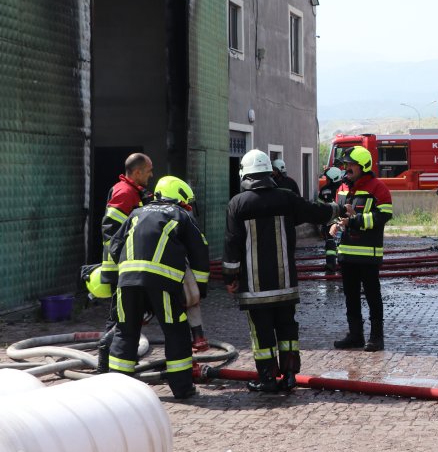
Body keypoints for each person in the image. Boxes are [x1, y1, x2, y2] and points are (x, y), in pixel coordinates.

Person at [222, 149, 338, 392]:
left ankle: (267, 379)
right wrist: (339, 210)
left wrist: (230, 277)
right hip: (286, 283)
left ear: (245, 174)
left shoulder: (237, 203)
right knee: (287, 329)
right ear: (269, 172)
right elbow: (316, 212)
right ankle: (289, 377)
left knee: (262, 335)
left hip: (255, 287)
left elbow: (232, 244)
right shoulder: (286, 198)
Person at [105, 176, 209, 400]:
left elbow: (114, 245)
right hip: (162, 284)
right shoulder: (180, 215)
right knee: (176, 332)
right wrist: (199, 289)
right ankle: (182, 388)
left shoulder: (135, 214)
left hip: (127, 283)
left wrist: (122, 275)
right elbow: (200, 251)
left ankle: (117, 391)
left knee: (125, 331)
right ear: (179, 198)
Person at [331, 146, 393, 352]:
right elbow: (339, 215)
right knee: (350, 296)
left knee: (372, 296)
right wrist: (335, 223)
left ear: (363, 166)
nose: (346, 168)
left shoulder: (378, 188)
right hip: (347, 254)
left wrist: (354, 220)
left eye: (351, 165)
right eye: (346, 165)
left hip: (368, 254)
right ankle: (355, 335)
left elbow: (383, 217)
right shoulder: (343, 188)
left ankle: (377, 338)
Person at [96, 153, 154, 373]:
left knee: (129, 317)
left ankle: (119, 362)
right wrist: (127, 258)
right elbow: (111, 231)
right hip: (121, 268)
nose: (151, 174)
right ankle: (105, 365)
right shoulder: (124, 192)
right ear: (137, 172)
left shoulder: (134, 192)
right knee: (120, 319)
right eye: (149, 170)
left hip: (125, 268)